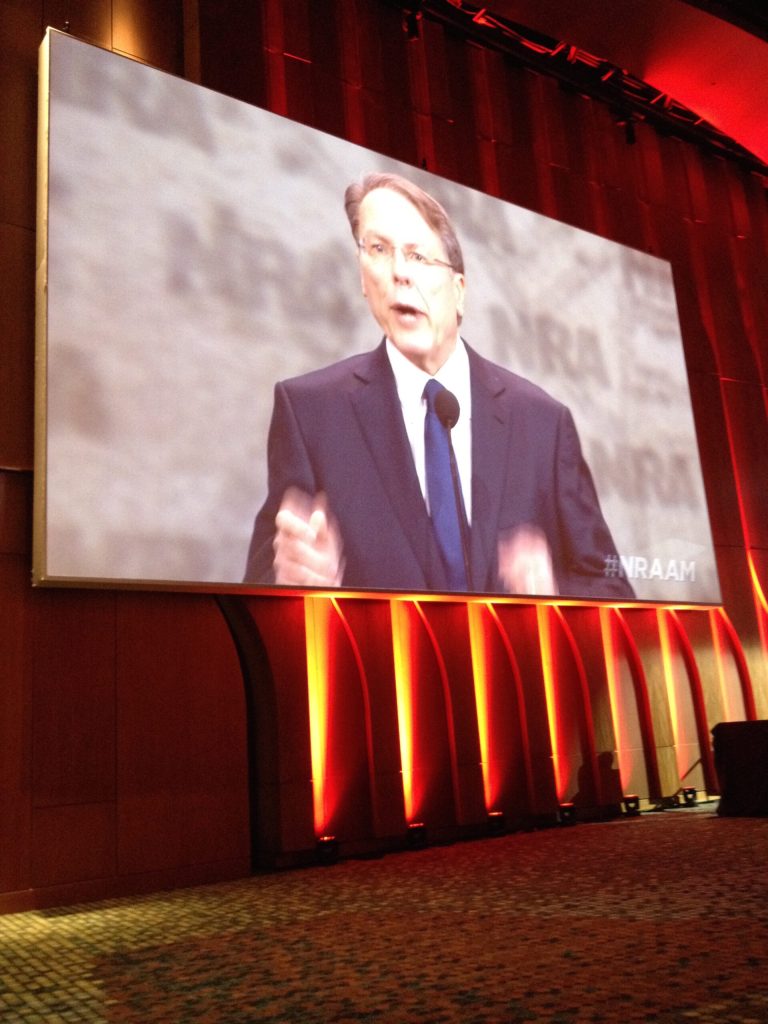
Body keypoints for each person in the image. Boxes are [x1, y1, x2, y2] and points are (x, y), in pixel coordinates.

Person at [244, 171, 634, 599]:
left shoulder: (543, 422)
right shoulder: (310, 412)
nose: (398, 273)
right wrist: (288, 577)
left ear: (459, 290)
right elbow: (260, 581)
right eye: (378, 250)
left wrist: (554, 586)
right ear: (362, 280)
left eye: (418, 256)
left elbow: (613, 585)